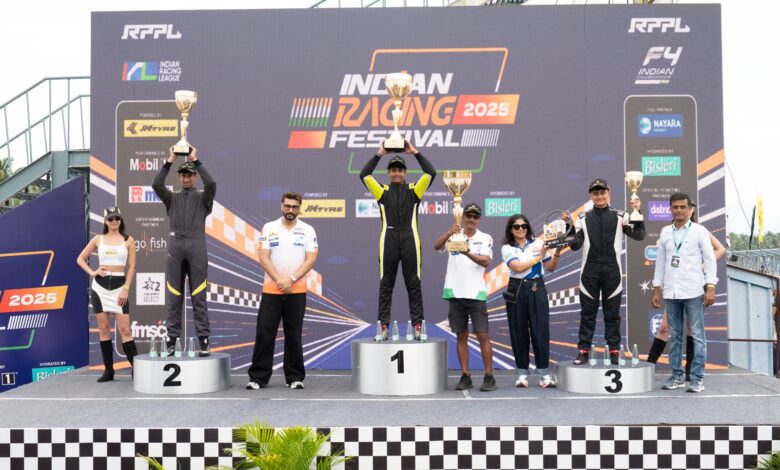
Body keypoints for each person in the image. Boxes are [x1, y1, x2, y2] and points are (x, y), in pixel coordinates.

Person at [359, 140, 436, 340]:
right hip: (388, 239)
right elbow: (364, 174)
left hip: (410, 238)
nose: (396, 173)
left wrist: (414, 152)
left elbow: (431, 173)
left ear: (405, 172)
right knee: (386, 284)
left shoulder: (415, 190)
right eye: (393, 170)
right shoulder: (382, 191)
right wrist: (380, 153)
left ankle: (418, 327)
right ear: (388, 173)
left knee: (414, 284)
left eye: (400, 170)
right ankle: (383, 327)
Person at [564, 178, 645, 365]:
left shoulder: (621, 216)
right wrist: (568, 225)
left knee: (612, 315)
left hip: (612, 271)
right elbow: (575, 245)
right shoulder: (582, 218)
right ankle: (583, 351)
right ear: (590, 196)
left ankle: (614, 351)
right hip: (589, 271)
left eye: (602, 192)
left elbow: (639, 235)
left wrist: (637, 212)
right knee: (587, 314)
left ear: (609, 193)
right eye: (596, 193)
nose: (599, 196)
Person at [646, 203, 726, 381]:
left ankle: (690, 371)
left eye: (686, 207)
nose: (681, 210)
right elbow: (662, 261)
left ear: (691, 210)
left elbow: (720, 249)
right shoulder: (667, 231)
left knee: (692, 329)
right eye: (677, 207)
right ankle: (648, 368)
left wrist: (702, 266)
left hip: (695, 285)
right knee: (665, 327)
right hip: (674, 287)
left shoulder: (699, 230)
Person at [247, 193, 318, 390]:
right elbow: (263, 257)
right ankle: (258, 378)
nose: (290, 210)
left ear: (300, 208)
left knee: (293, 334)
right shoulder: (269, 227)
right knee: (265, 333)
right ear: (281, 207)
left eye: (294, 207)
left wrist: (291, 279)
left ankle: (295, 377)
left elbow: (311, 259)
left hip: (297, 290)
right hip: (272, 290)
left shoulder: (308, 230)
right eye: (287, 206)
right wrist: (279, 280)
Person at [152, 145, 216, 356]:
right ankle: (171, 341)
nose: (186, 179)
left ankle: (204, 340)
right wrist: (170, 160)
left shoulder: (203, 197)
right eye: (183, 175)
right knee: (174, 297)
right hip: (176, 248)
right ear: (179, 177)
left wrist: (195, 159)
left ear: (195, 177)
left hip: (197, 247)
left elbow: (212, 183)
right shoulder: (171, 197)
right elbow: (156, 184)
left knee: (199, 296)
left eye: (189, 175)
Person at [433, 203, 495, 392]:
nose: (471, 219)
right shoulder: (454, 235)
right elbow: (436, 246)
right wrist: (449, 232)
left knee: (482, 335)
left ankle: (489, 376)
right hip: (455, 293)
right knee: (461, 335)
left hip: (476, 294)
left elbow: (485, 261)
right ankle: (465, 376)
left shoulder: (484, 238)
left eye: (475, 217)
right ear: (463, 217)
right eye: (468, 216)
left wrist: (466, 251)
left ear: (479, 220)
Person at [501, 214, 562, 388]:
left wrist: (557, 252)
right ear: (511, 229)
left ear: (527, 227)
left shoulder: (538, 243)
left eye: (524, 226)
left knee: (540, 330)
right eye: (516, 226)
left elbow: (550, 267)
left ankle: (544, 374)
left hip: (537, 286)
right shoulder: (507, 247)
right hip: (516, 287)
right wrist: (538, 258)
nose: (521, 229)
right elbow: (518, 267)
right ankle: (522, 374)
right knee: (518, 330)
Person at [76, 207, 137, 382]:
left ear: (120, 220)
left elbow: (132, 266)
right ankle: (109, 371)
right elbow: (80, 258)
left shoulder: (128, 240)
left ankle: (137, 370)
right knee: (103, 329)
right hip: (99, 288)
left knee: (125, 330)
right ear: (105, 221)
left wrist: (126, 288)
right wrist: (92, 272)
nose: (114, 221)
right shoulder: (98, 239)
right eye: (110, 219)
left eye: (117, 218)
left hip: (120, 287)